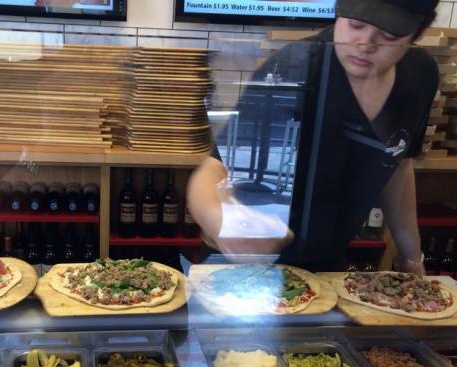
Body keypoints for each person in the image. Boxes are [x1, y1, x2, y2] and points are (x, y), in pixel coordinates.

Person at [187, 0, 439, 273]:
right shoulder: (293, 67)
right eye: (355, 24)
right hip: (247, 265)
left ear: (418, 32)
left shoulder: (419, 76)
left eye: (388, 34)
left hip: (327, 264)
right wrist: (222, 222)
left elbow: (397, 163)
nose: (365, 43)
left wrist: (411, 258)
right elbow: (213, 170)